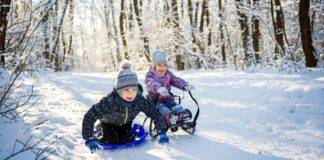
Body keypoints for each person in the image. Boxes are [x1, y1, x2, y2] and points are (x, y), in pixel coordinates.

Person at [82, 62, 169, 153]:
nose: (131, 94)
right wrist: (89, 139)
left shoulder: (139, 100)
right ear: (119, 90)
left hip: (125, 124)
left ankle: (127, 132)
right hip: (107, 123)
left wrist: (161, 132)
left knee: (127, 140)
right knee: (110, 141)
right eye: (126, 90)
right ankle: (100, 129)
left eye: (134, 90)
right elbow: (90, 116)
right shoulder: (109, 101)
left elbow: (155, 112)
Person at [145, 51, 195, 132]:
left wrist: (184, 85)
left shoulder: (168, 74)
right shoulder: (150, 75)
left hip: (168, 99)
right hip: (156, 101)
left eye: (164, 65)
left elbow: (175, 80)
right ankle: (169, 119)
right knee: (164, 110)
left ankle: (182, 117)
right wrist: (159, 88)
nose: (162, 68)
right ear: (154, 66)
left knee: (177, 107)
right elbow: (150, 83)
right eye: (159, 65)